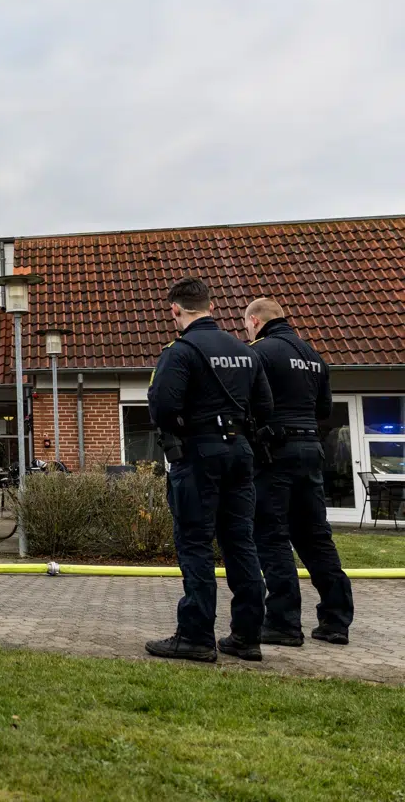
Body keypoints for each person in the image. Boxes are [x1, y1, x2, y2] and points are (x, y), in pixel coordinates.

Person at [146, 277, 273, 663]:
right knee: (241, 542)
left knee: (195, 542)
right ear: (212, 307)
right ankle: (247, 636)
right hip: (240, 453)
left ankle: (197, 635)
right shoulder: (245, 351)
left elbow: (163, 407)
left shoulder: (180, 351)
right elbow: (265, 408)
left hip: (199, 455)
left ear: (175, 311)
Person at [244, 297, 354, 646]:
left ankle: (283, 621)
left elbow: (249, 401)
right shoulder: (313, 356)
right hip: (311, 451)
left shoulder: (261, 352)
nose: (245, 331)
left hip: (275, 451)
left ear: (256, 321)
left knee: (272, 535)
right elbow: (324, 408)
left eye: (246, 325)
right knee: (315, 535)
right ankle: (336, 620)